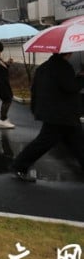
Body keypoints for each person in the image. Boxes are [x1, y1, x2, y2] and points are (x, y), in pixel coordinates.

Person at [10, 52, 84, 182]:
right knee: (43, 143)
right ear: (69, 53)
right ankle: (19, 166)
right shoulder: (63, 67)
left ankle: (19, 165)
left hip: (55, 113)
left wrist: (35, 108)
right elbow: (71, 87)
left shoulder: (44, 66)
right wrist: (81, 77)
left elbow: (35, 89)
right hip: (61, 115)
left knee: (78, 143)